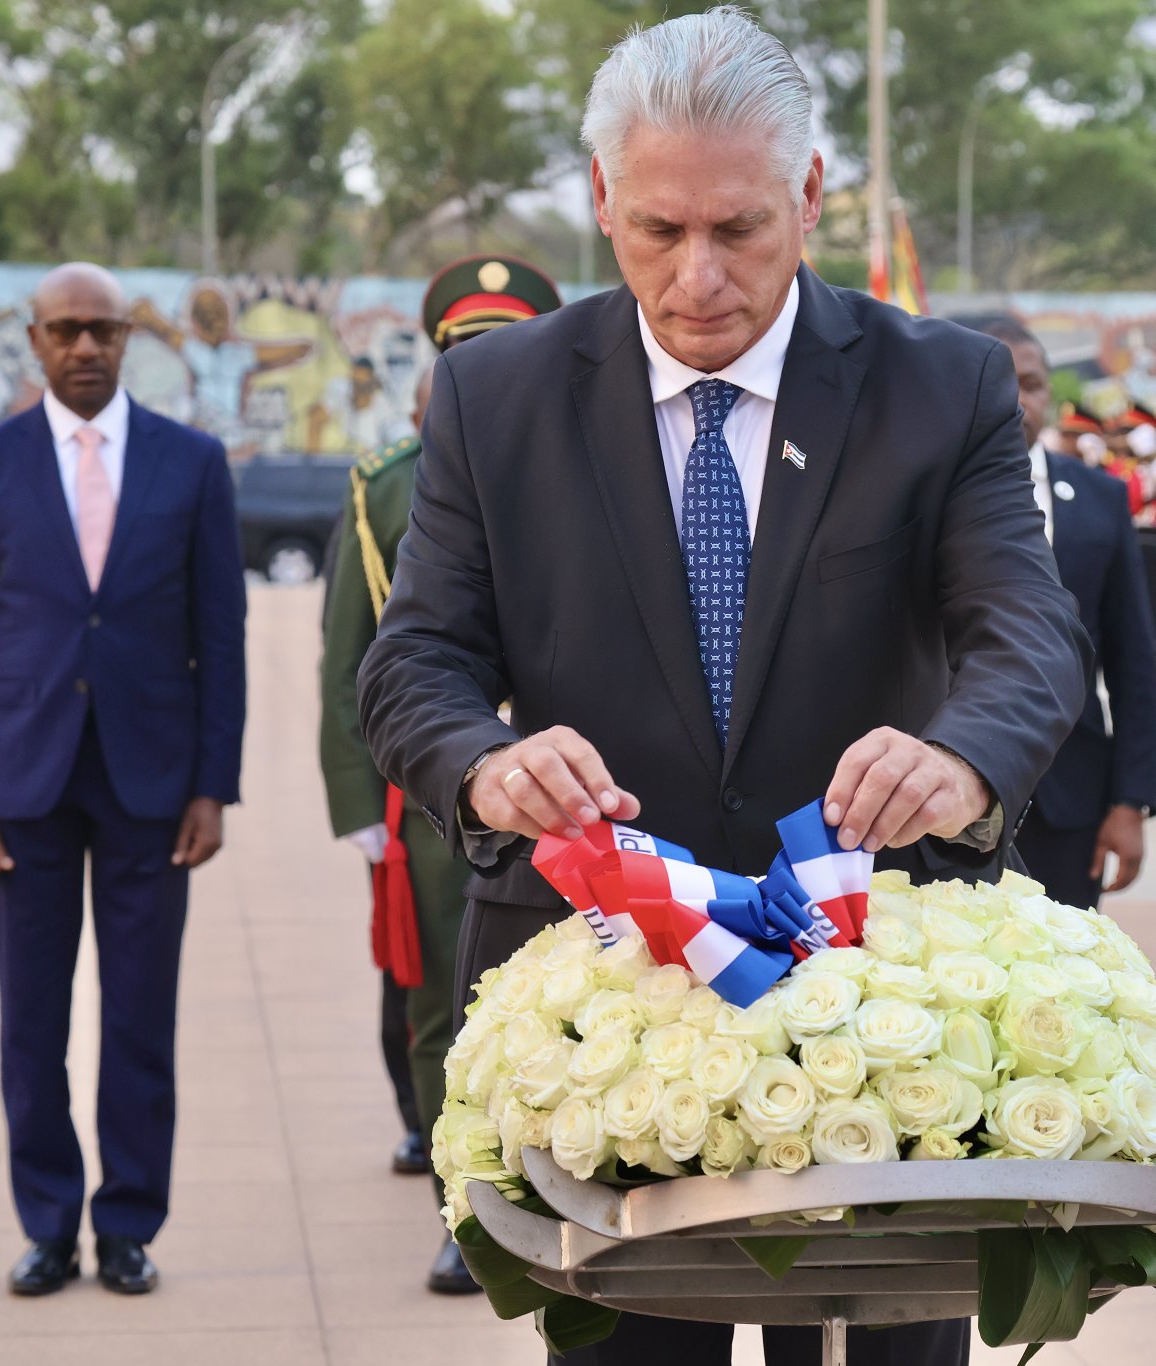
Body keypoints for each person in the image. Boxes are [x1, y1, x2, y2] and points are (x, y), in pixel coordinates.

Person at [355, 12, 1088, 1365]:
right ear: (599, 202)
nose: (697, 278)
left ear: (811, 195)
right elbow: (417, 660)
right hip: (607, 988)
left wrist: (967, 758)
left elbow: (1026, 626)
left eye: (740, 229)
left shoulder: (946, 387)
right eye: (656, 230)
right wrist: (484, 763)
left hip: (883, 997)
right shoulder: (494, 396)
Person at [0, 262, 247, 1297]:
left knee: (139, 1014)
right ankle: (46, 1220)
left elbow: (221, 633)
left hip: (153, 787)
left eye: (102, 330)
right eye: (65, 330)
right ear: (34, 339)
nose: (84, 348)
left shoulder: (193, 463)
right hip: (21, 784)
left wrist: (214, 782)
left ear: (127, 339)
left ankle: (126, 1224)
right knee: (31, 1017)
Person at [317, 253, 562, 1294]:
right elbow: (351, 656)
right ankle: (465, 1210)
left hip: (578, 790)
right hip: (435, 794)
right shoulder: (390, 486)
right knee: (438, 1010)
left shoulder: (590, 459)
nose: (491, 368)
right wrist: (355, 805)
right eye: (472, 352)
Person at [963, 314, 1156, 911]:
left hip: (1072, 797)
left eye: (1033, 383)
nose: (1020, 400)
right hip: (948, 798)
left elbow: (1132, 658)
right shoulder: (915, 490)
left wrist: (1131, 801)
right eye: (1001, 381)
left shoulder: (1099, 496)